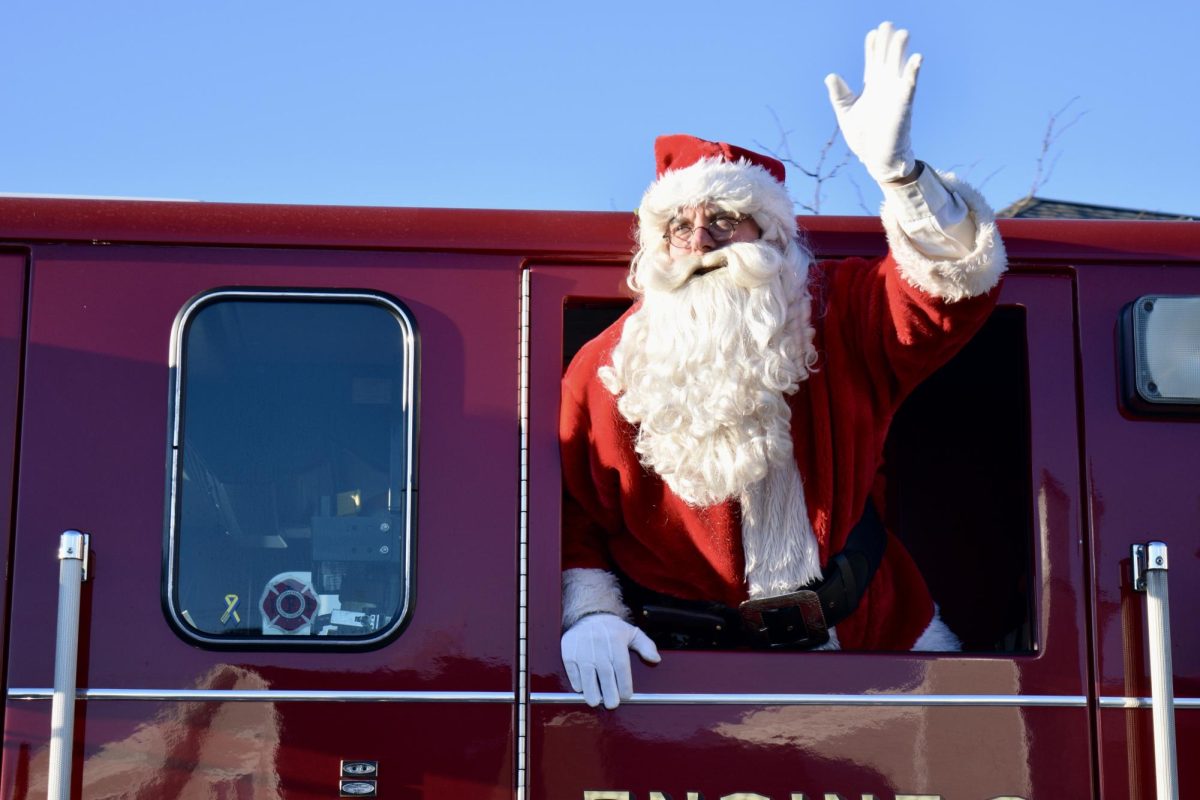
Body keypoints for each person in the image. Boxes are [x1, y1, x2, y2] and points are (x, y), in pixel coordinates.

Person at [559, 22, 1007, 709]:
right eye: (678, 227)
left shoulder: (839, 319)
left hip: (869, 651)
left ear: (768, 233)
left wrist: (903, 177)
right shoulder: (604, 369)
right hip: (679, 675)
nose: (699, 245)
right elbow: (570, 510)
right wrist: (590, 612)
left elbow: (950, 292)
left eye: (724, 222)